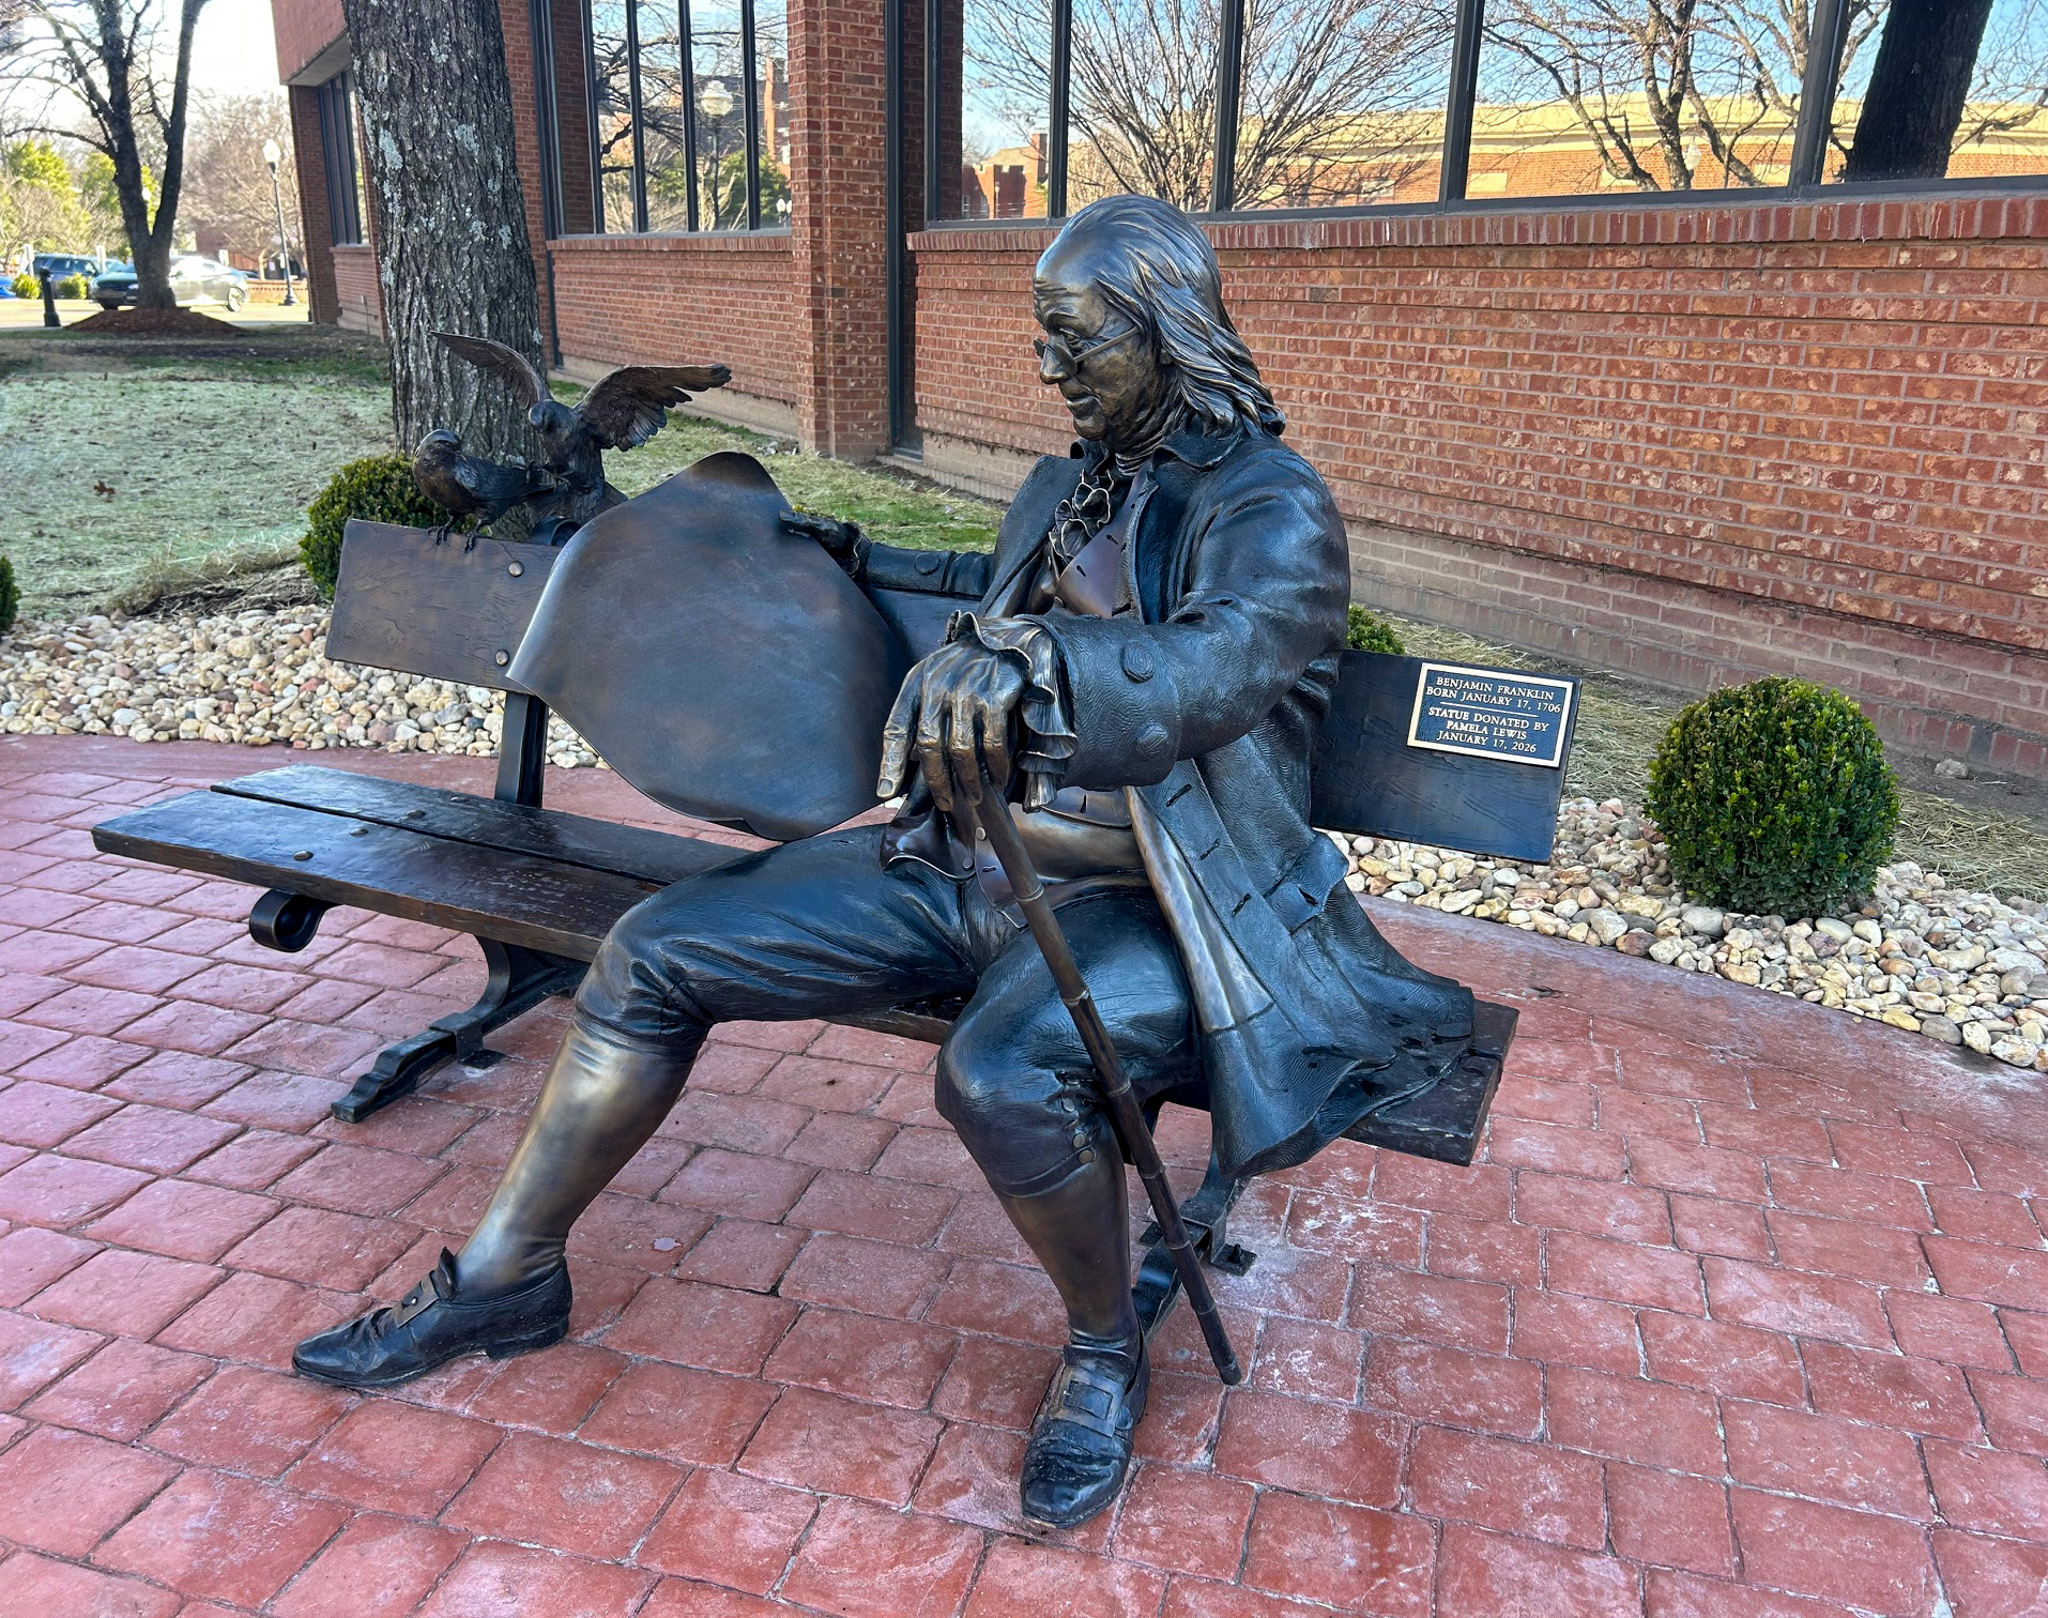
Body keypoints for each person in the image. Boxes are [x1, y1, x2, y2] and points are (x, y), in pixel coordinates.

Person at [293, 193, 1477, 1529]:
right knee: (652, 951)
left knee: (1000, 1068)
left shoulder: (1275, 510)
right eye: (1046, 338)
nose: (1049, 369)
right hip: (962, 864)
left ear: (1170, 333)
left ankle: (1101, 1347)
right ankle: (506, 1270)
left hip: (1159, 905)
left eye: (1078, 342)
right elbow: (965, 596)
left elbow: (1217, 665)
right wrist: (799, 556)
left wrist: (1035, 654)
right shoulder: (1066, 480)